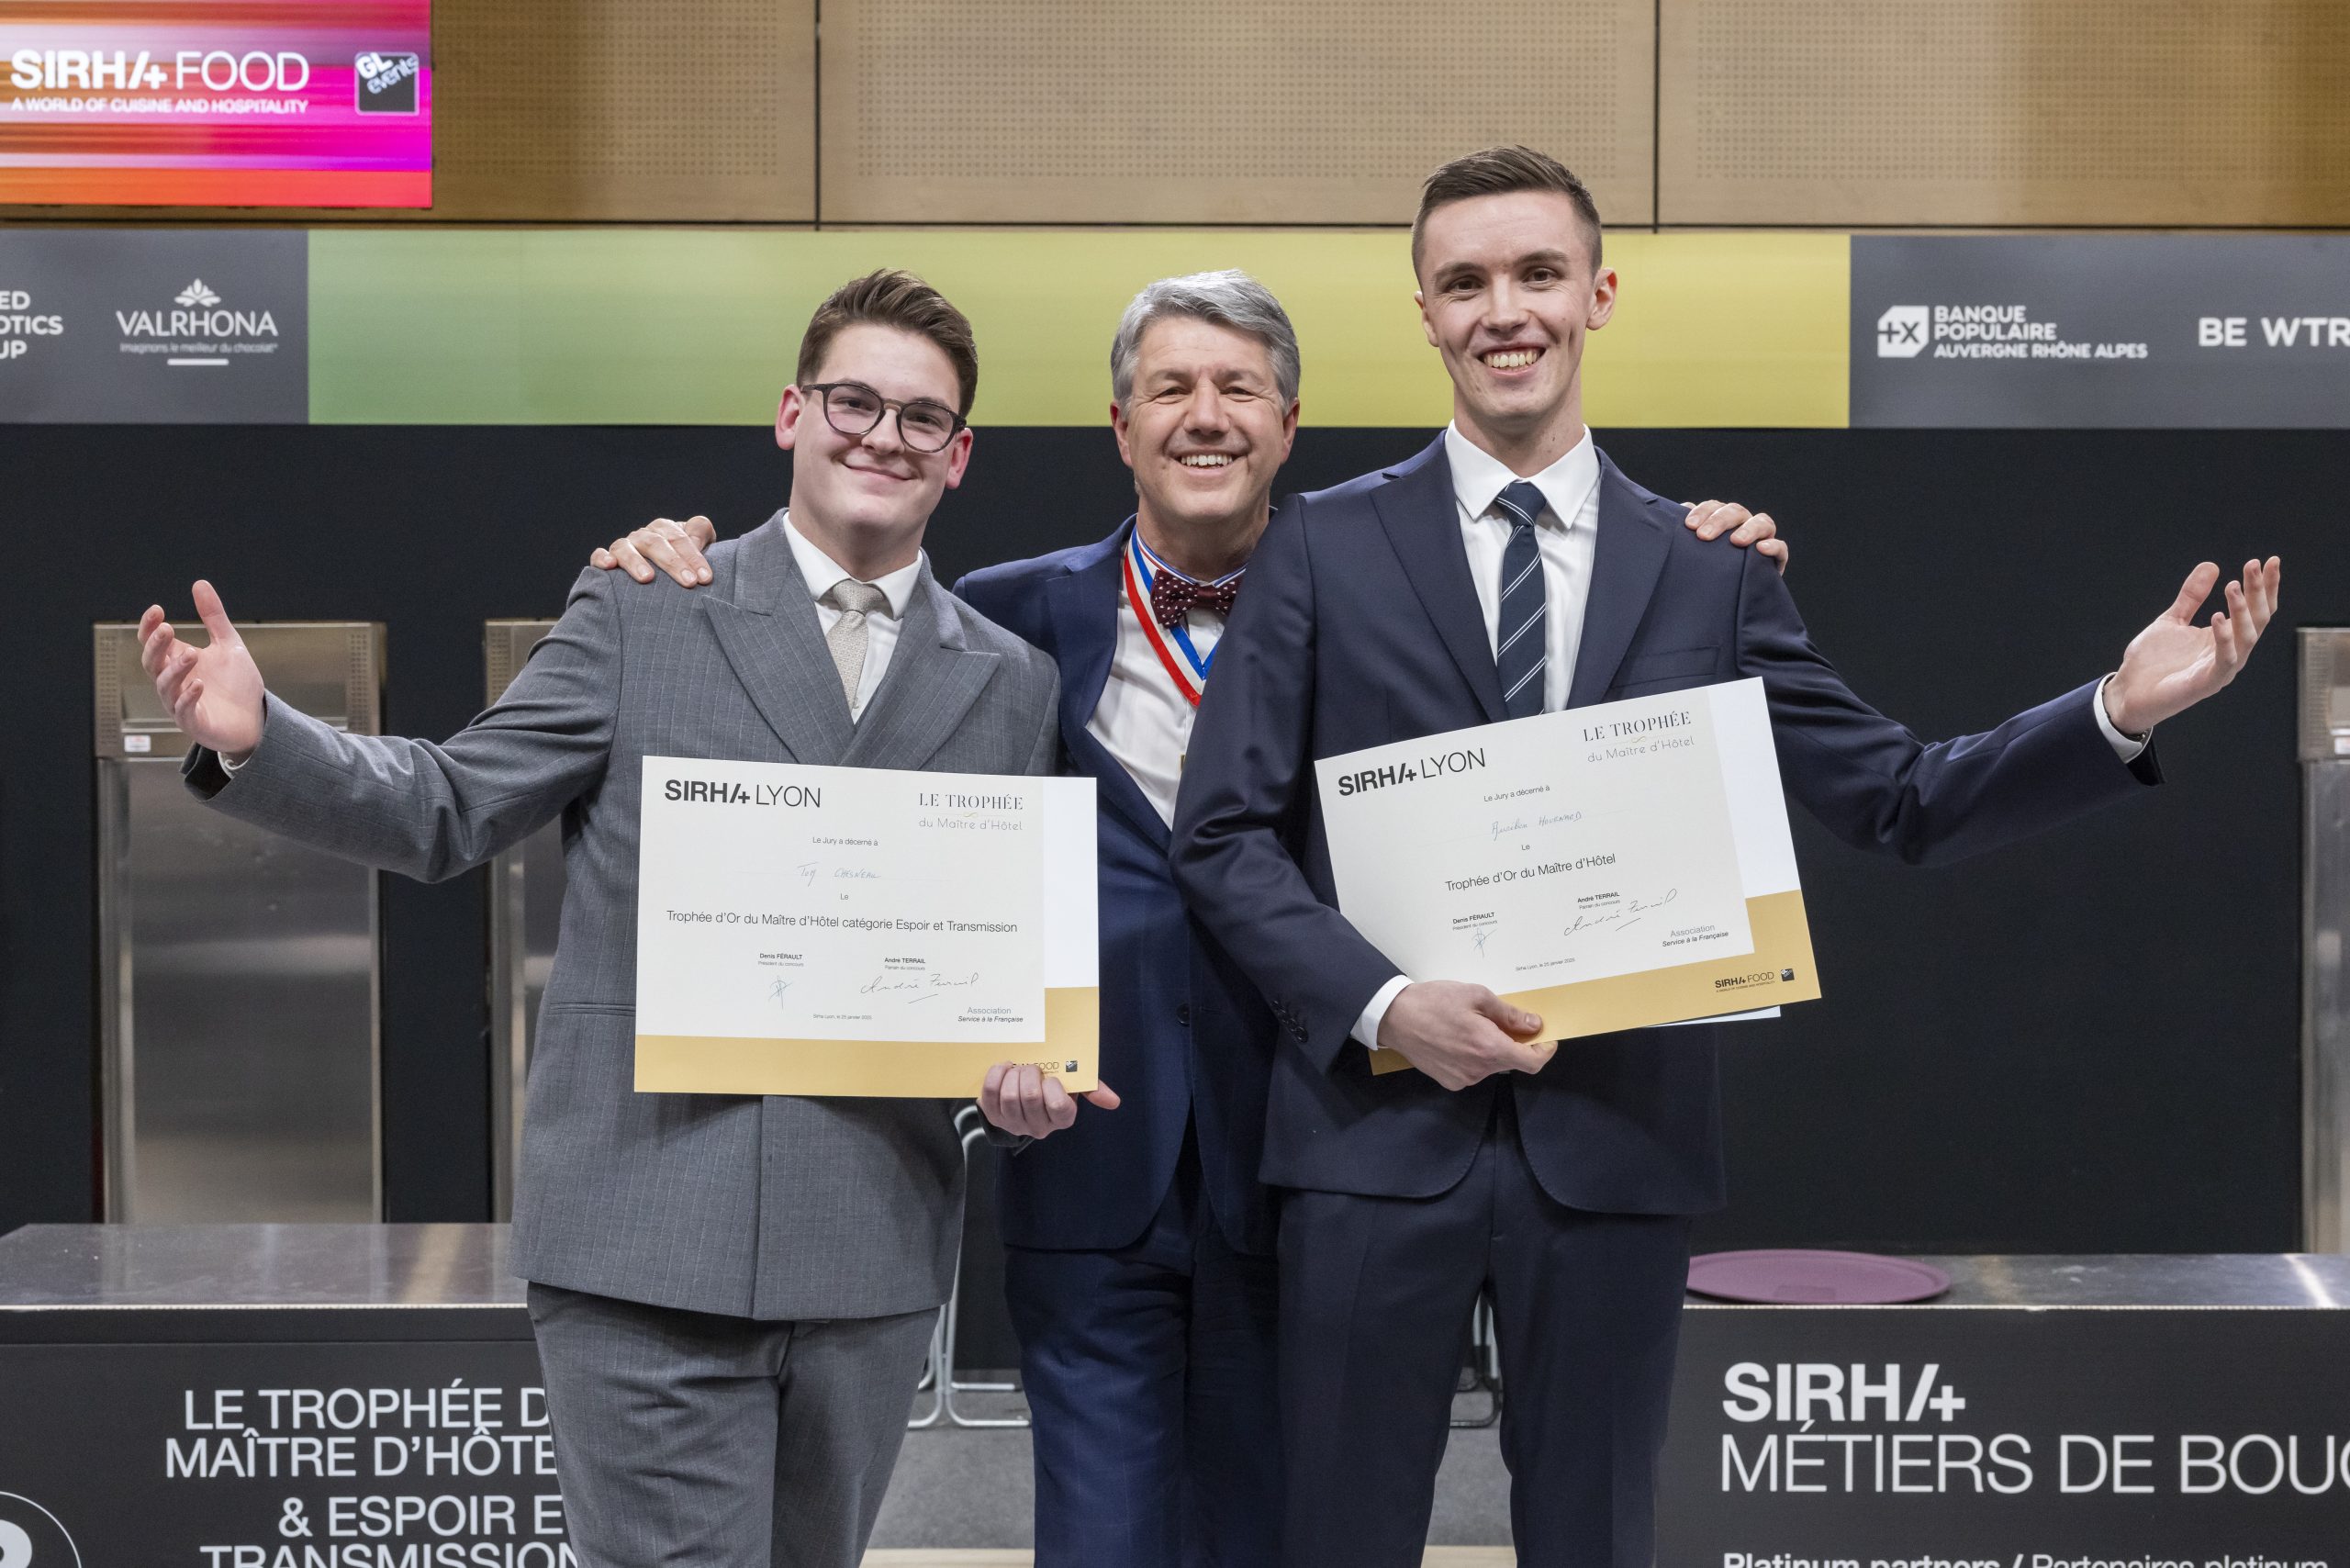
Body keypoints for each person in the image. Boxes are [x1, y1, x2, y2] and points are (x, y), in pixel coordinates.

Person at [1167, 147, 2283, 1568]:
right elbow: (1223, 837)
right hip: (1370, 1153)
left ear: (1599, 295)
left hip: (1616, 1152)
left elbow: (1905, 800)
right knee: (1333, 1539)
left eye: (1536, 275)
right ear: (1427, 313)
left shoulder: (1710, 569)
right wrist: (1388, 1006)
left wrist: (2117, 710)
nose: (1503, 309)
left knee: (1600, 1539)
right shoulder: (1320, 548)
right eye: (1465, 282)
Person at [592, 271, 1785, 1566]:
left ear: (1287, 427)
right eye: (1170, 388)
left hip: (1319, 1161)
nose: (1203, 416)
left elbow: (1560, 717)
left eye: (1239, 390)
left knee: (1280, 1538)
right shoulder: (1007, 615)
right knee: (1099, 1540)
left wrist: (1696, 545)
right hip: (1092, 1167)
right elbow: (859, 776)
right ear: (1120, 426)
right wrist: (676, 565)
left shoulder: (1400, 607)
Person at [136, 270, 1069, 1568]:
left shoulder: (1010, 681)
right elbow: (447, 804)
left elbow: (995, 958)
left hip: (867, 1256)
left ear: (959, 457)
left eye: (923, 419)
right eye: (854, 400)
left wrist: (1018, 1080)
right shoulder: (643, 607)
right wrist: (264, 738)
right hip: (645, 1249)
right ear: (791, 414)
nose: (883, 436)